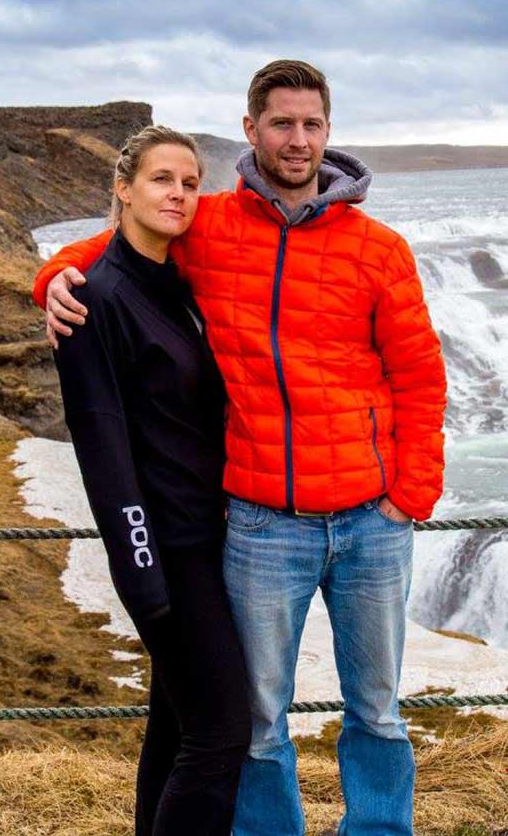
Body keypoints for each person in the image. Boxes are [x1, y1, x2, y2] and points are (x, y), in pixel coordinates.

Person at [36, 60, 447, 836]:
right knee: (258, 727)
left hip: (370, 520)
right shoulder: (211, 226)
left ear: (329, 134)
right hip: (261, 524)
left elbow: (421, 377)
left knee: (379, 715)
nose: (298, 140)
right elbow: (118, 252)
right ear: (252, 128)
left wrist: (409, 493)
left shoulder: (379, 249)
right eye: (282, 124)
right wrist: (54, 276)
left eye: (313, 125)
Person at [52, 124, 248, 836]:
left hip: (205, 541)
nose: (179, 194)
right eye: (163, 179)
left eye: (192, 183)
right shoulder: (96, 301)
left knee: (174, 730)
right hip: (165, 552)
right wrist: (144, 577)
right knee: (222, 732)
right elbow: (103, 451)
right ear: (124, 189)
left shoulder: (172, 286)